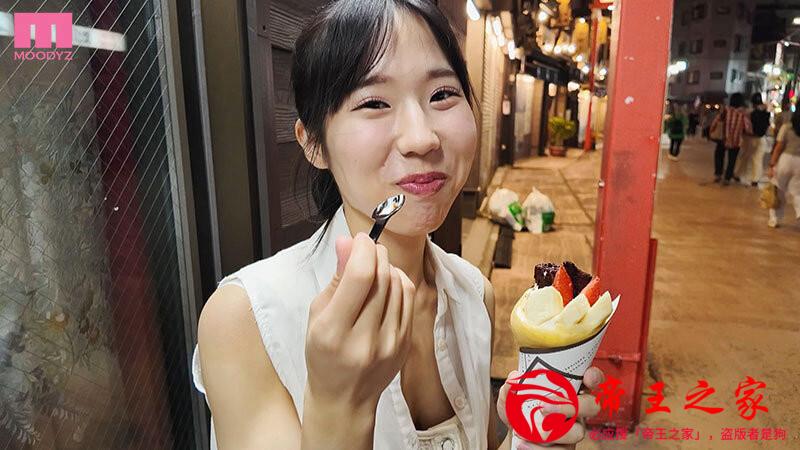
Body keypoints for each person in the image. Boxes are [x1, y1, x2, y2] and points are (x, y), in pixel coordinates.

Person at [192, 2, 604, 449]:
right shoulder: (245, 319)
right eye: (374, 102)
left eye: (442, 94)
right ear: (314, 144)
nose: (421, 138)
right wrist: (338, 405)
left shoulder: (473, 293)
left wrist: (528, 439)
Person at [710, 93, 752, 185]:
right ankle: (727, 178)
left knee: (719, 155)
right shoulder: (743, 114)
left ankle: (718, 174)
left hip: (723, 138)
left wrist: (711, 131)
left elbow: (716, 121)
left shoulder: (725, 111)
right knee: (732, 159)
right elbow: (747, 128)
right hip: (736, 140)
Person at [767, 111, 800, 228]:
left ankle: (774, 219)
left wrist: (772, 165)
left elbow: (778, 147)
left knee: (778, 189)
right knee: (797, 191)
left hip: (786, 159)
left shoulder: (786, 127)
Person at [735, 93, 770, 186]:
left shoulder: (748, 112)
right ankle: (755, 179)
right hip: (760, 138)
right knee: (757, 159)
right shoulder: (766, 113)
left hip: (748, 137)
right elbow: (767, 126)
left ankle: (737, 174)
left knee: (744, 157)